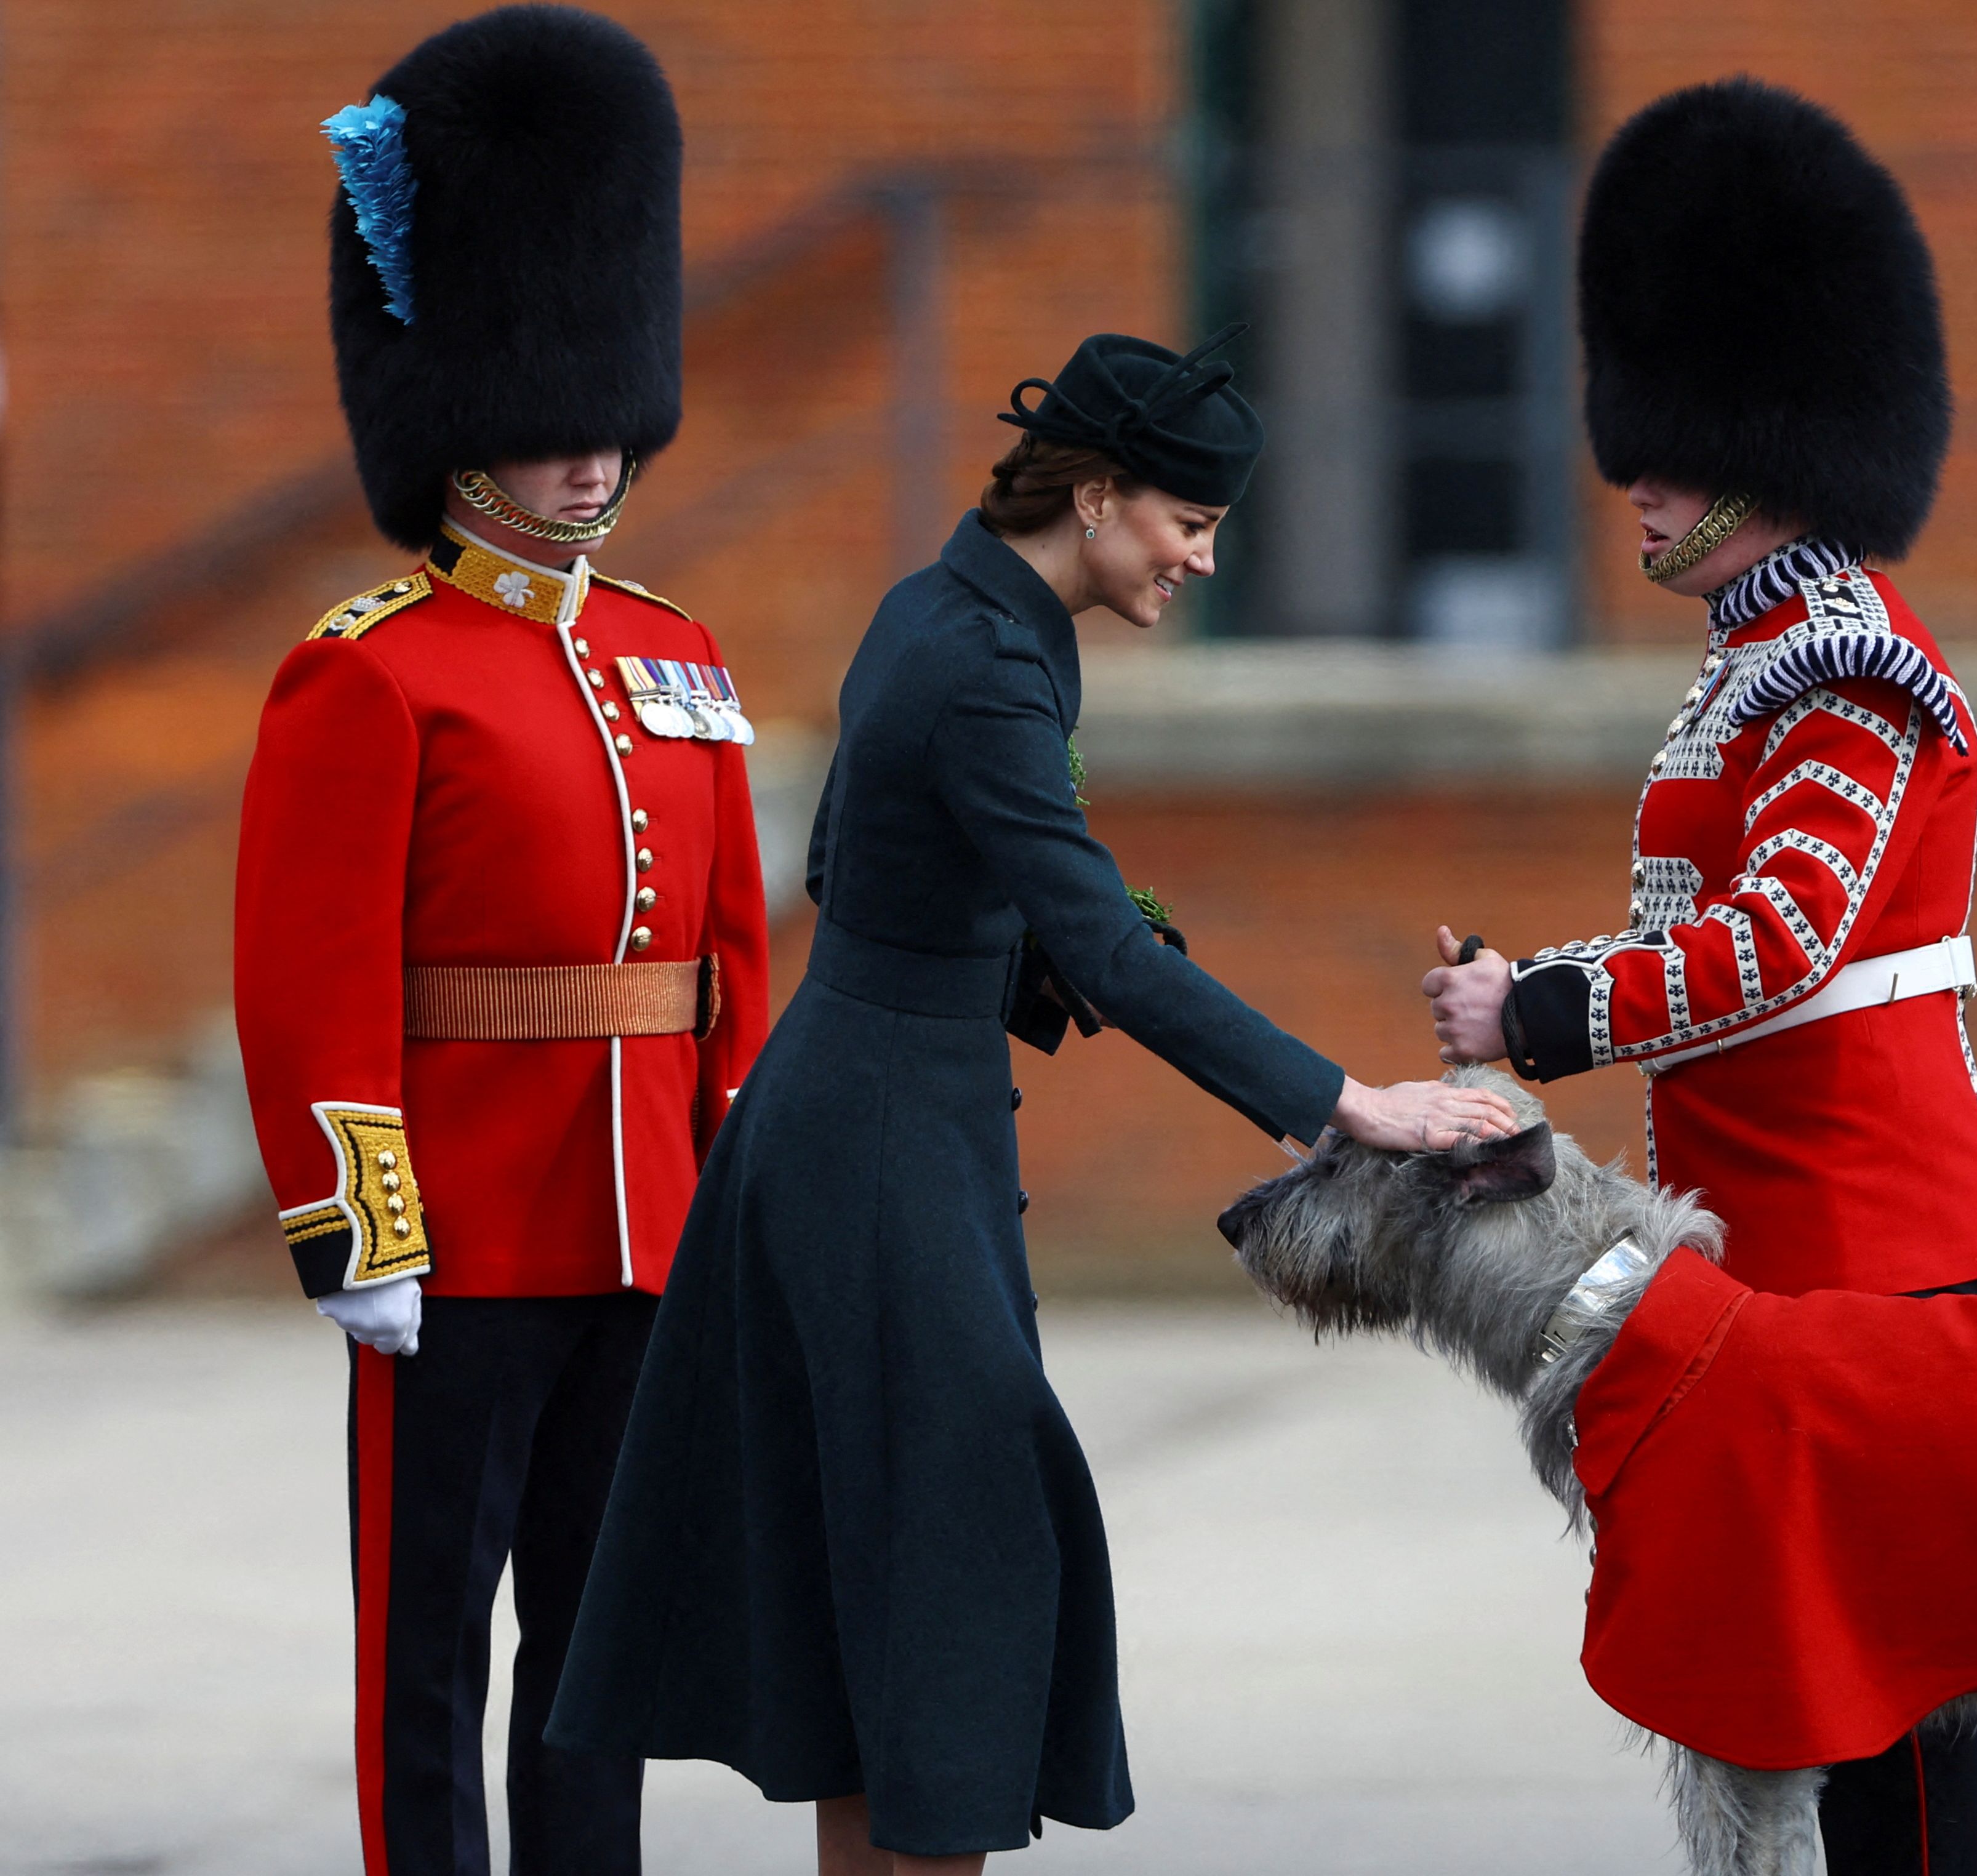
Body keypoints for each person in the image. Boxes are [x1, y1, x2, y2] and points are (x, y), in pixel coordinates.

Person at [545, 327, 1515, 1870]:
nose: (1199, 561)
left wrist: (1147, 1000)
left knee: (891, 1577)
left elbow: (885, 875)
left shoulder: (947, 614)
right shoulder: (985, 660)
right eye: (1187, 525)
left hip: (873, 1120)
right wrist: (1347, 1106)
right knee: (954, 1558)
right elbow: (1097, 950)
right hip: (876, 1146)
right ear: (1099, 494)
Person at [1422, 79, 1977, 1876]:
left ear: (1773, 434)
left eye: (1673, 444)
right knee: (1819, 1691)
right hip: (1773, 1230)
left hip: (1863, 1240)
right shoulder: (1753, 653)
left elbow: (1780, 944)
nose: (1636, 476)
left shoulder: (1844, 667)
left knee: (1898, 1714)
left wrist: (1537, 1015)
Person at [230, 12, 768, 1874]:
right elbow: (308, 979)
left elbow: (726, 975)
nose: (589, 458)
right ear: (463, 419)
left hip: (643, 1221)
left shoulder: (676, 658)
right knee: (431, 1643)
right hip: (458, 1228)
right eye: (549, 424)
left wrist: (732, 1193)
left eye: (604, 416)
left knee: (595, 1652)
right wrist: (356, 1223)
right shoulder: (367, 673)